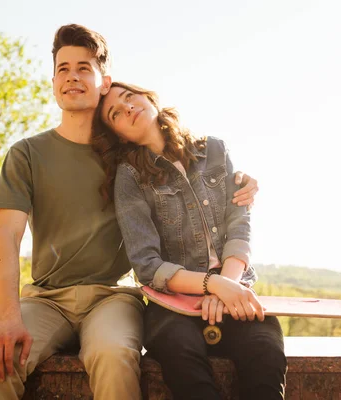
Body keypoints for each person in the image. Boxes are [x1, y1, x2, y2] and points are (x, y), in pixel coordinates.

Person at [0, 25, 259, 400]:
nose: (72, 76)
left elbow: (193, 169)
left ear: (103, 81)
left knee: (115, 355)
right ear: (53, 81)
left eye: (83, 68)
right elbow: (7, 237)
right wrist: (7, 318)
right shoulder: (26, 154)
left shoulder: (130, 159)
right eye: (62, 69)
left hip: (112, 296)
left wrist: (242, 181)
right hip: (45, 298)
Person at [92, 82, 287, 400]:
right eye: (116, 113)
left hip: (235, 288)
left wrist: (227, 286)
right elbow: (147, 265)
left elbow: (240, 226)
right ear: (120, 135)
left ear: (149, 99)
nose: (127, 107)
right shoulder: (130, 178)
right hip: (172, 305)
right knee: (183, 361)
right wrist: (212, 285)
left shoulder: (214, 150)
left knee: (266, 353)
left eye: (130, 97)